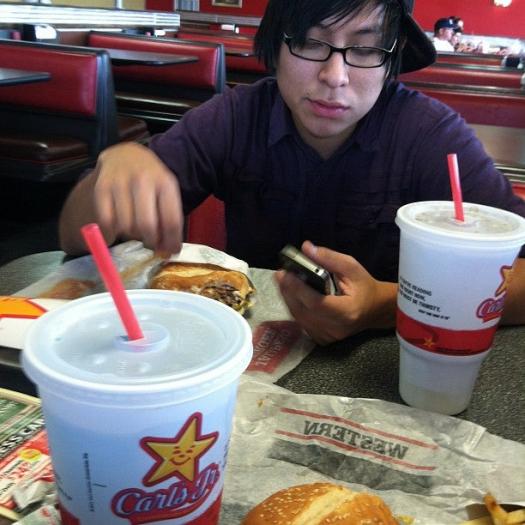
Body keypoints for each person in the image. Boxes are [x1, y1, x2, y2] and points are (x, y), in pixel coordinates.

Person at [59, 0, 525, 345]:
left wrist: (383, 305)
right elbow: (75, 240)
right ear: (277, 47)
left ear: (392, 55)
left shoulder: (431, 136)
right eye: (309, 42)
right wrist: (109, 173)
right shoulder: (235, 117)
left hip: (402, 364)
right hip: (241, 358)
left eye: (365, 49)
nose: (335, 76)